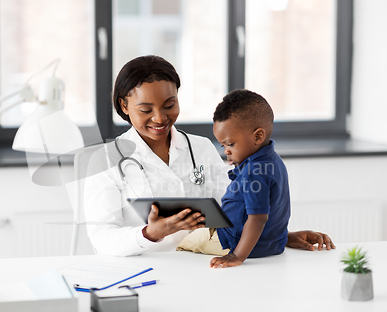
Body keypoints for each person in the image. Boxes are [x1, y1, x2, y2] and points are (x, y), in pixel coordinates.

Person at [82, 55, 335, 257]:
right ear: (124, 106)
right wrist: (149, 233)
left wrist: (281, 237)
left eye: (169, 105)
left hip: (205, 266)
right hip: (143, 272)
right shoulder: (104, 161)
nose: (160, 118)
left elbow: (235, 214)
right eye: (146, 109)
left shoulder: (201, 148)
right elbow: (102, 240)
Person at [208, 89, 289, 268]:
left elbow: (258, 218)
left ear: (258, 136)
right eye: (222, 145)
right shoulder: (273, 160)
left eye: (230, 144)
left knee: (184, 239)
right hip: (272, 245)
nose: (225, 151)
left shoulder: (254, 171)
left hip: (234, 242)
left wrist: (237, 256)